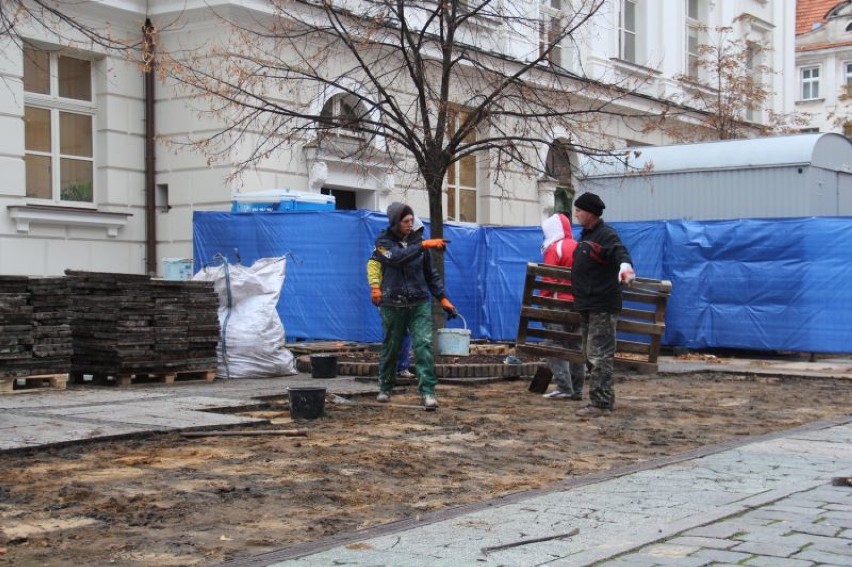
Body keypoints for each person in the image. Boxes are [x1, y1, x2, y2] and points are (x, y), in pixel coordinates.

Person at [370, 202, 457, 409]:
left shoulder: (418, 243)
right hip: (393, 303)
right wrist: (423, 246)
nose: (410, 224)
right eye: (406, 221)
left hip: (418, 302)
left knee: (423, 345)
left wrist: (443, 298)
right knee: (391, 346)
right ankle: (385, 386)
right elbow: (397, 259)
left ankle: (428, 391)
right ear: (395, 223)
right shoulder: (383, 243)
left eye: (411, 220)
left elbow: (430, 274)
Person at [571, 192, 635, 418]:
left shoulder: (606, 235)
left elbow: (620, 252)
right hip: (588, 304)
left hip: (602, 304)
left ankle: (601, 403)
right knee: (590, 355)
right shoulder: (587, 236)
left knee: (599, 355)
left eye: (578, 210)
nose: (576, 214)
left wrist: (625, 267)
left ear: (589, 212)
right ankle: (600, 399)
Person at [367, 218, 425, 380]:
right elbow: (373, 265)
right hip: (388, 296)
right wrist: (375, 287)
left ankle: (400, 367)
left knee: (405, 332)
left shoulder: (411, 249)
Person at [539, 212, 586, 401]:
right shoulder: (578, 246)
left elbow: (548, 280)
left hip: (559, 305)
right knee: (576, 346)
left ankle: (564, 386)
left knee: (552, 345)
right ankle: (577, 389)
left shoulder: (554, 248)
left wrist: (543, 305)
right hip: (580, 305)